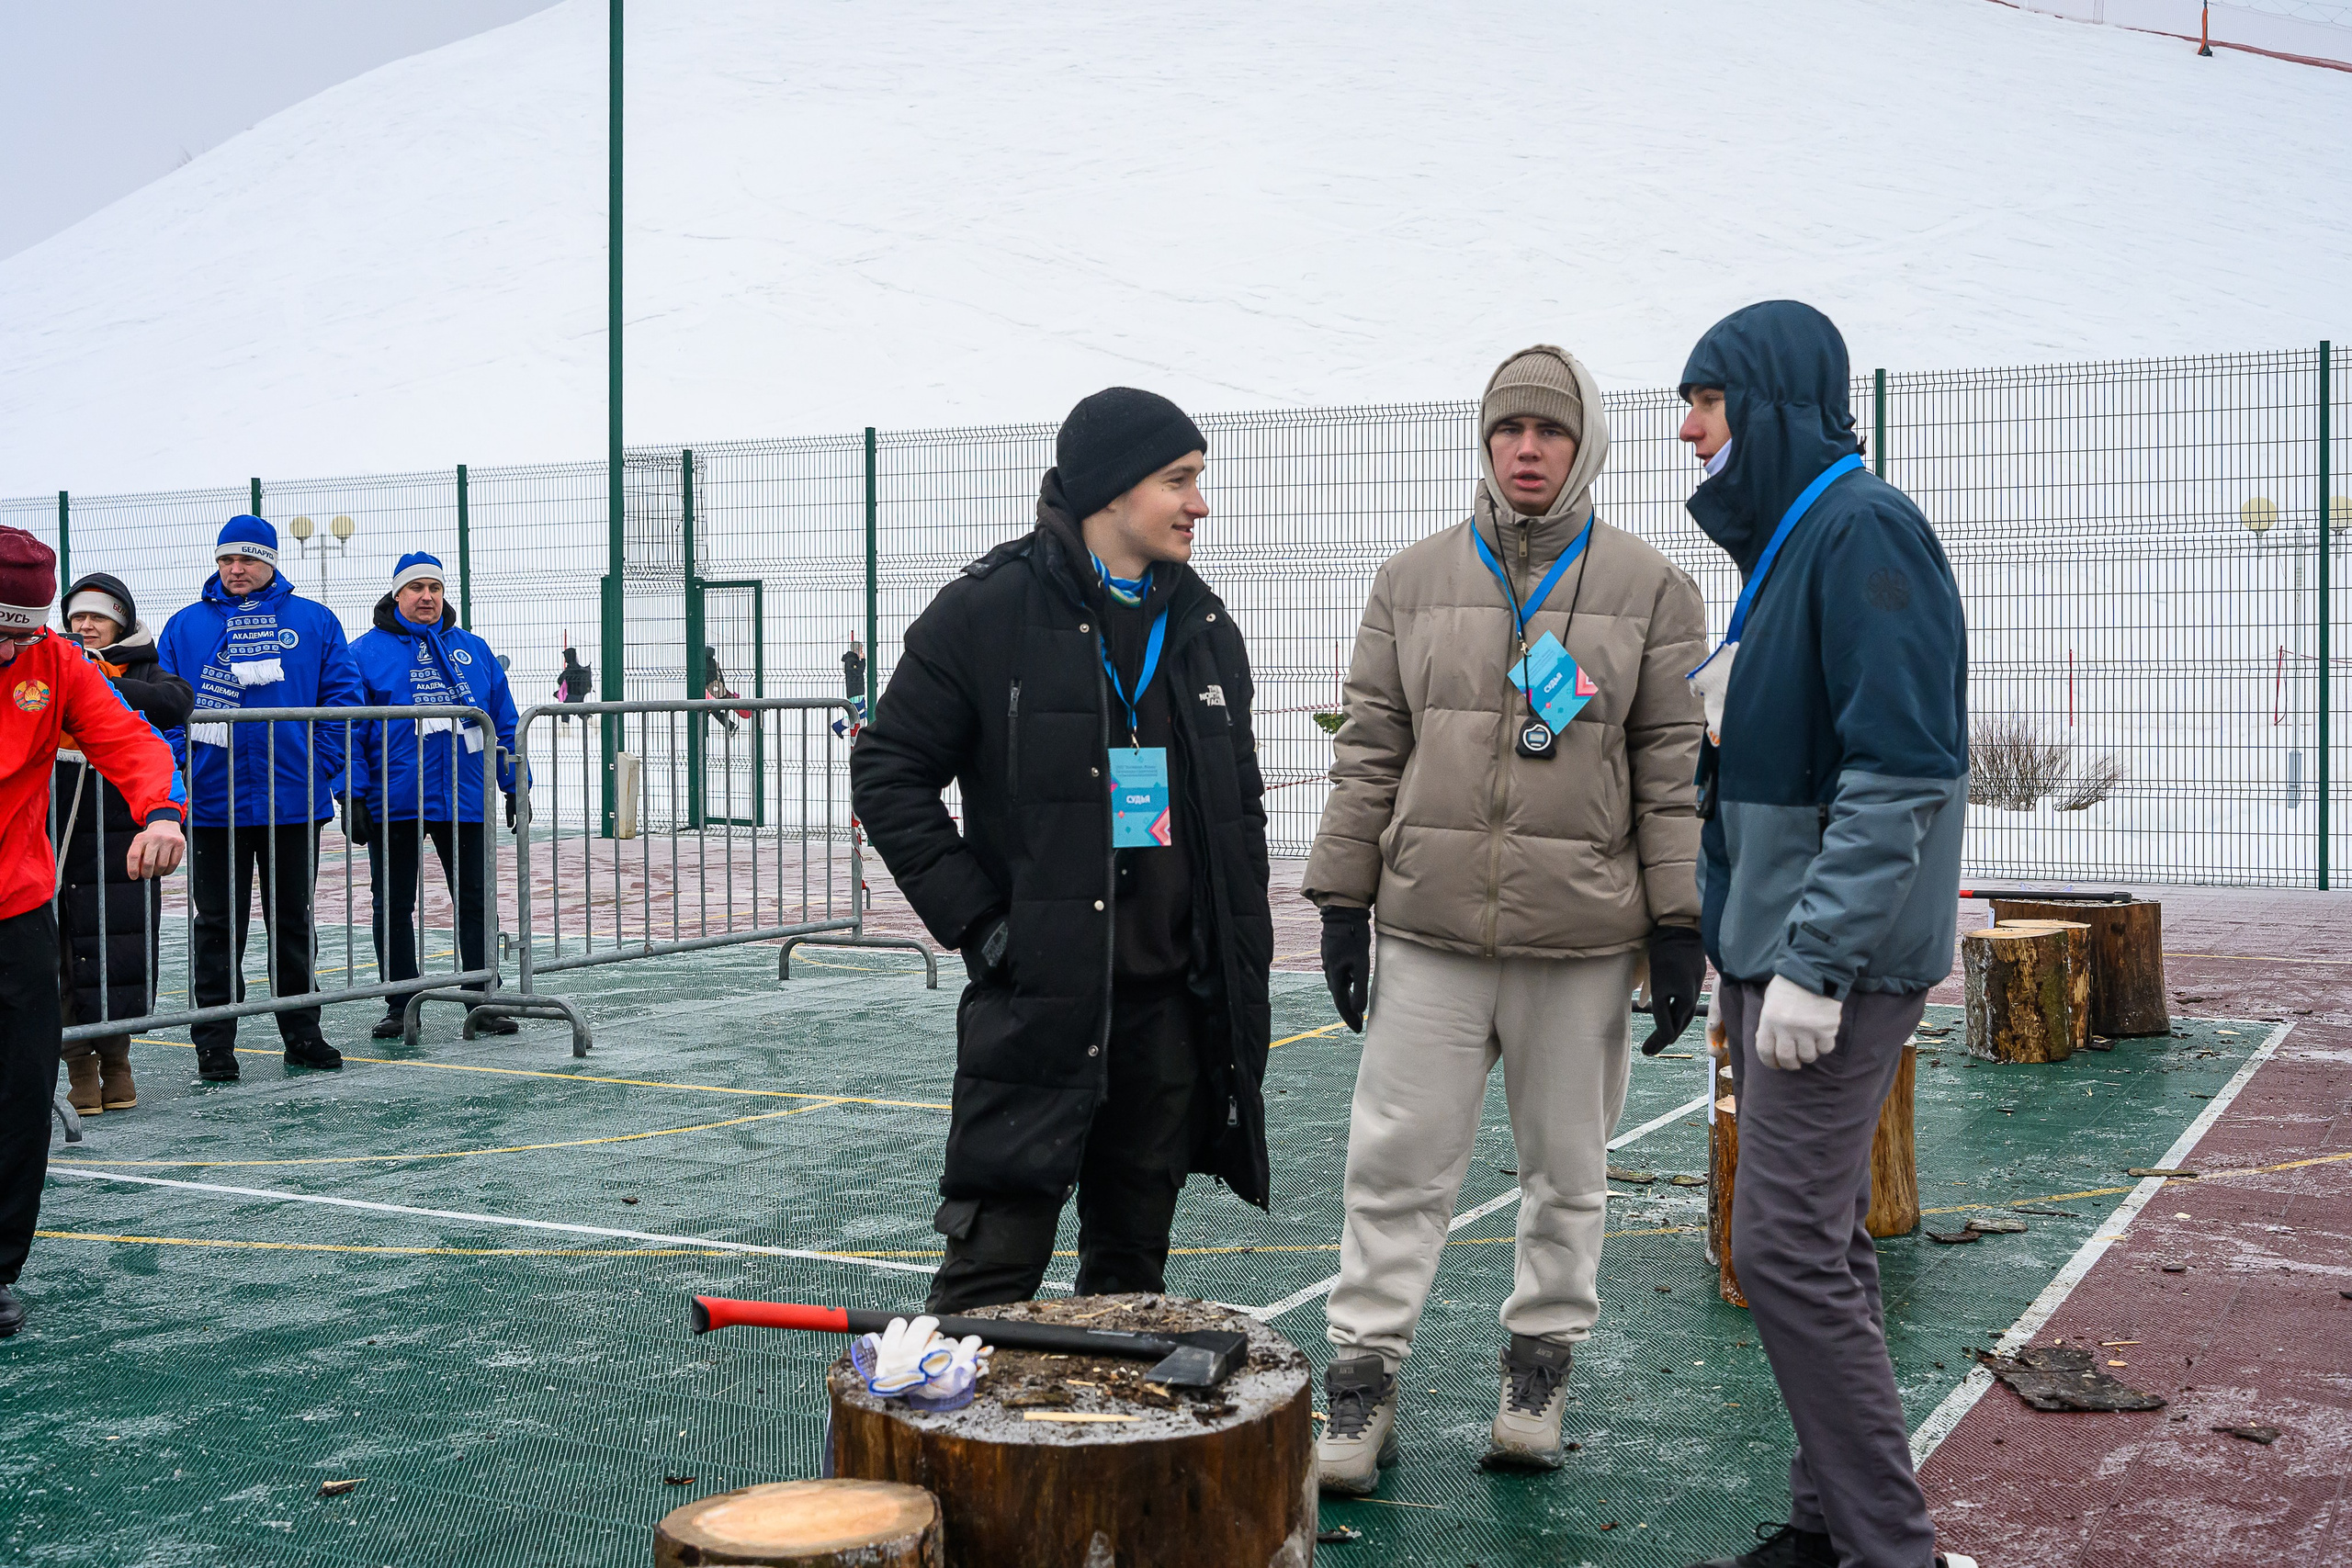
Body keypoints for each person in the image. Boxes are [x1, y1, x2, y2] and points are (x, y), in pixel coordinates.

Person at [1304, 344, 1710, 1493]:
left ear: (1584, 447)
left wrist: (1675, 926)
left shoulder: (1647, 588)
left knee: (1566, 1171)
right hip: (1429, 932)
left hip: (1580, 942)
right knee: (1392, 1165)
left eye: (1550, 432)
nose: (1527, 450)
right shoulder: (1413, 578)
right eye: (1508, 431)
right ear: (1484, 444)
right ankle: (1361, 1386)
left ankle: (1537, 1372)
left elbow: (1670, 771)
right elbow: (1371, 745)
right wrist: (1344, 899)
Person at [851, 387, 1273, 1313]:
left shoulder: (1202, 629)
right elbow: (888, 772)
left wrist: (1232, 966)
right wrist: (981, 925)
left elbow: (1239, 817)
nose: (1198, 504)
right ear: (1110, 492)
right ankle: (939, 1458)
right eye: (1178, 481)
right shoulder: (984, 611)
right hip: (1037, 1006)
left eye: (1197, 480)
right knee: (988, 1283)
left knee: (1128, 1289)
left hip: (1166, 1015)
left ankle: (1101, 1456)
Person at [1674, 302, 1972, 1568]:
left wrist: (1814, 961)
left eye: (1707, 402)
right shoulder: (1793, 543)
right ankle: (1829, 1523)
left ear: (1774, 404)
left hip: (1824, 965)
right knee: (1822, 1238)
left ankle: (1890, 1551)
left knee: (1783, 1249)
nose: (1688, 431)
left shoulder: (1862, 532)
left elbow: (1901, 774)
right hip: (1774, 947)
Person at [0, 527, 186, 1337]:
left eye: (21, 630)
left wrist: (163, 812)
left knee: (17, 1093)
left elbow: (129, 739)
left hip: (16, 908)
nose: (11, 647)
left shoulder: (56, 661)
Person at [158, 515, 363, 1080]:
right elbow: (165, 709)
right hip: (213, 803)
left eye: (247, 559)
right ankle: (215, 1042)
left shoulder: (314, 621)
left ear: (270, 561)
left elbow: (341, 701)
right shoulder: (186, 626)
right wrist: (186, 768)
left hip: (292, 803)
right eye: (227, 559)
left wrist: (318, 767)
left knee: (293, 923)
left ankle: (302, 1031)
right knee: (216, 925)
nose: (236, 569)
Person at [345, 553, 521, 1041]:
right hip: (396, 797)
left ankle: (484, 996)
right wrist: (352, 795)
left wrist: (514, 783)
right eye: (416, 588)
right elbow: (352, 731)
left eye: (435, 589)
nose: (427, 597)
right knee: (394, 903)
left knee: (476, 900)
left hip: (463, 797)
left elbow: (503, 722)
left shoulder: (474, 650)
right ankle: (401, 1002)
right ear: (397, 595)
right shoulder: (365, 654)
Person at [52, 571, 195, 1114]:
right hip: (58, 819)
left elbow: (173, 702)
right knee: (65, 948)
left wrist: (95, 680)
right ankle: (79, 1067)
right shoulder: (48, 668)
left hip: (122, 824)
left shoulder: (143, 668)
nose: (85, 625)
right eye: (77, 616)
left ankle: (119, 1060)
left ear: (122, 620)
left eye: (98, 615)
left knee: (124, 945)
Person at [702, 645, 739, 734]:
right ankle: (731, 726)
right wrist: (724, 690)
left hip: (708, 692)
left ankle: (704, 733)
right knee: (714, 711)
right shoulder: (715, 663)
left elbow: (706, 679)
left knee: (705, 711)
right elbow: (720, 677)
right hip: (717, 691)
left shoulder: (703, 664)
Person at [556, 637, 592, 721]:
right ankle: (594, 723)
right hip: (580, 694)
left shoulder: (570, 669)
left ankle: (565, 730)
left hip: (572, 695)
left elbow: (560, 680)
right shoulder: (579, 668)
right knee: (581, 712)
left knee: (564, 711)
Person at [841, 636, 866, 705]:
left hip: (856, 691)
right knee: (858, 710)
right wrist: (863, 660)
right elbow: (859, 671)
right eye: (861, 650)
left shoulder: (853, 660)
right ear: (856, 650)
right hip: (855, 691)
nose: (862, 652)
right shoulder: (851, 661)